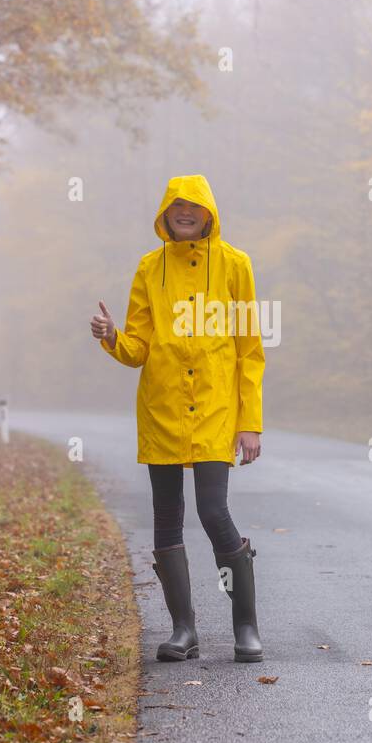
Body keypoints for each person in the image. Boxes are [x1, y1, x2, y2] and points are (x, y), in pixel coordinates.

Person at [90, 174, 266, 663]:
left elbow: (250, 350)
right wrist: (112, 336)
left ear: (209, 212)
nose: (185, 212)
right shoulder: (150, 268)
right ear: (165, 214)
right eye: (176, 206)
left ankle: (246, 626)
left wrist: (249, 421)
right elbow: (138, 348)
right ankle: (183, 630)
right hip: (162, 408)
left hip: (214, 409)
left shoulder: (235, 265)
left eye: (194, 205)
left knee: (213, 513)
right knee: (167, 519)